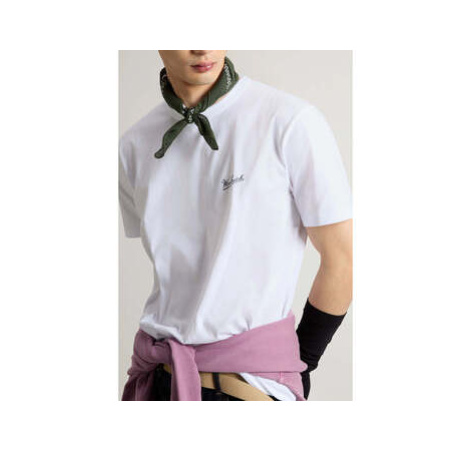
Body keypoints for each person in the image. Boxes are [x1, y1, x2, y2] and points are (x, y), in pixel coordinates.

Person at [119, 50, 353, 401]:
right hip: (157, 379)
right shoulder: (133, 145)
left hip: (245, 387)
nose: (203, 47)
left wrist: (302, 361)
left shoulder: (289, 121)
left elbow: (344, 259)